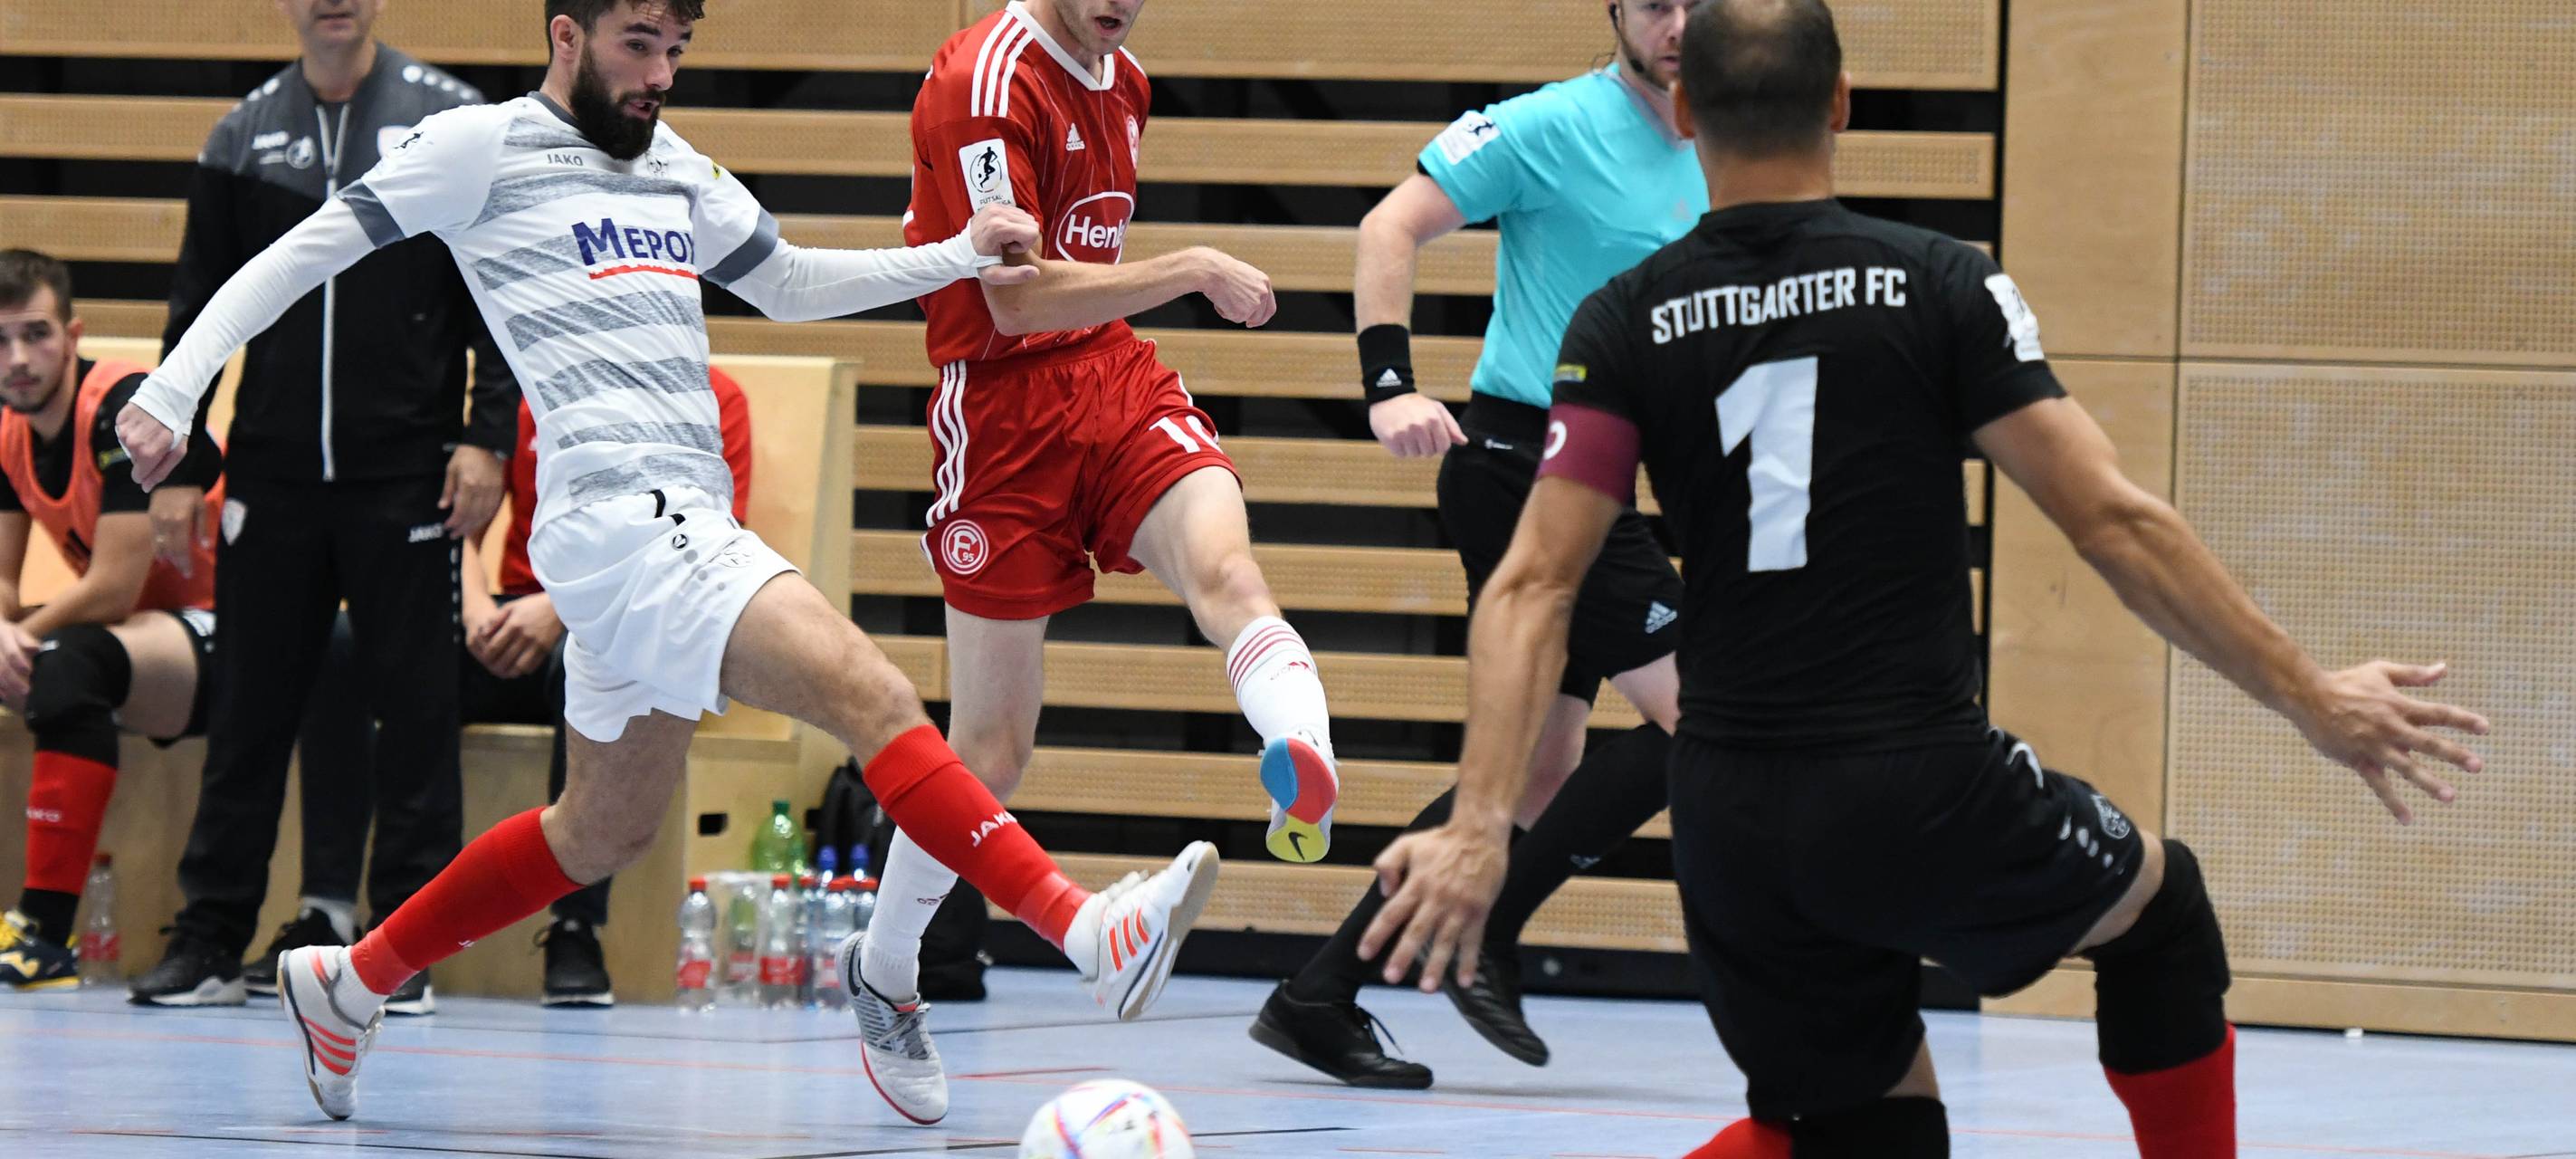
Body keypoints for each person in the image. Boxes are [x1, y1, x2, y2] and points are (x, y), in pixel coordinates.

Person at [1360, 3, 2490, 1156]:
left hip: (1727, 814)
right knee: (2163, 919)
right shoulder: (1934, 283)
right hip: (1912, 778)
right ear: (1841, 101)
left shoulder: (1624, 318)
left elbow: (1533, 585)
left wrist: (1482, 823)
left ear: (1687, 111)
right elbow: (2110, 520)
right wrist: (2311, 696)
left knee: (1871, 1129)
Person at [121, 0, 1219, 1124]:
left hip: (671, 518)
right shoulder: (479, 147)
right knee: (873, 691)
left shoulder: (674, 165)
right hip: (622, 524)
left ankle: (347, 985)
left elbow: (787, 282)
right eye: (637, 47)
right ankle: (1087, 929)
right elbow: (298, 255)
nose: (660, 75)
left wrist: (950, 254)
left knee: (599, 827)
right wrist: (175, 386)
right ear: (565, 37)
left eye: (676, 52)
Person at [848, 0, 1341, 1125]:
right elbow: (1012, 301)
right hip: (1004, 415)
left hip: (1111, 382)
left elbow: (1083, 291)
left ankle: (1298, 751)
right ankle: (882, 971)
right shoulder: (986, 81)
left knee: (1228, 574)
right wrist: (1197, 264)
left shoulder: (1125, 78)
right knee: (990, 747)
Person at [1253, 0, 1701, 1089]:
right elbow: (1386, 227)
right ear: (1614, 14)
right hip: (1521, 464)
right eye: (1653, 3)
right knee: (1710, 714)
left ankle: (1318, 995)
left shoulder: (1716, 144)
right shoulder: (1551, 124)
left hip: (1602, 479)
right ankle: (1488, 925)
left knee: (1536, 769)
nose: (1678, 22)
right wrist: (1388, 387)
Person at [129, 0, 521, 1014]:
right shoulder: (240, 133)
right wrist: (181, 463)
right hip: (273, 473)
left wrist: (486, 435)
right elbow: (196, 305)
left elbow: (500, 292)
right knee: (249, 709)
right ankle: (212, 936)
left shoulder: (448, 122)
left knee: (418, 715)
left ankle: (401, 948)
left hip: (410, 470)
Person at [285, 366, 754, 1008]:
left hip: (614, 619)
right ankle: (337, 913)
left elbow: (703, 545)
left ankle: (575, 930)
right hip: (505, 617)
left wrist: (558, 610)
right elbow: (463, 525)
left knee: (593, 662)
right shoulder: (539, 384)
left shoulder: (712, 399)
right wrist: (471, 605)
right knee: (346, 643)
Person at [0, 251, 223, 990]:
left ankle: (43, 935)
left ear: (74, 333)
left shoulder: (121, 403)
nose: (18, 359)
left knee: (65, 659)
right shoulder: (9, 431)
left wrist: (18, 631)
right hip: (147, 641)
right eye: (0, 343)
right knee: (53, 653)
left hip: (229, 628)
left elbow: (113, 589)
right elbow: (3, 582)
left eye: (34, 335)